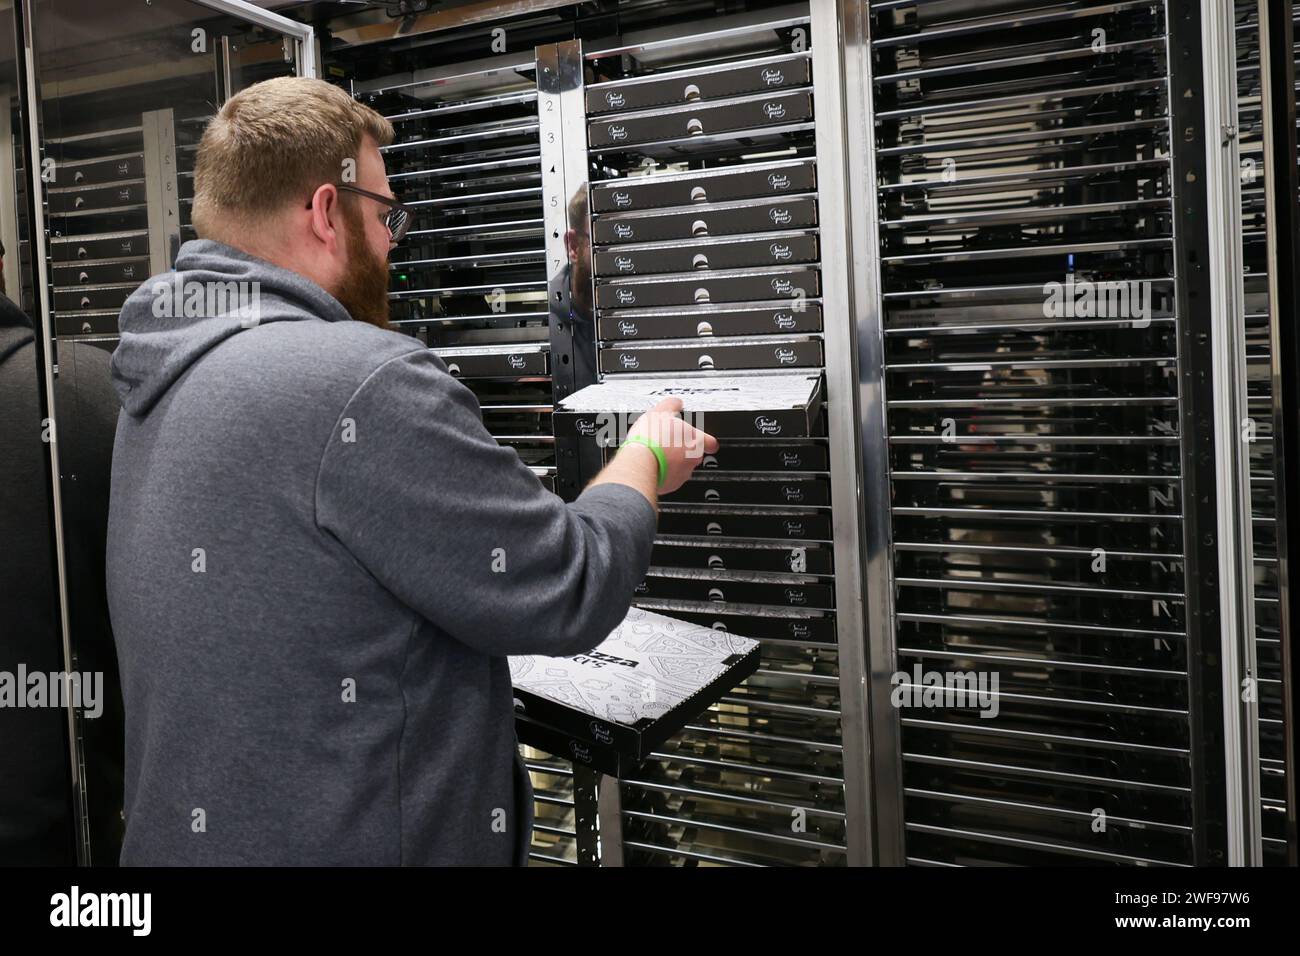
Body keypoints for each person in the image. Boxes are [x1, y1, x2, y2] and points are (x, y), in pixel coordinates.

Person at [105, 76, 716, 866]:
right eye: (386, 213)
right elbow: (568, 585)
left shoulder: (158, 374)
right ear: (327, 212)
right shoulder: (359, 378)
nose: (395, 239)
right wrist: (645, 456)